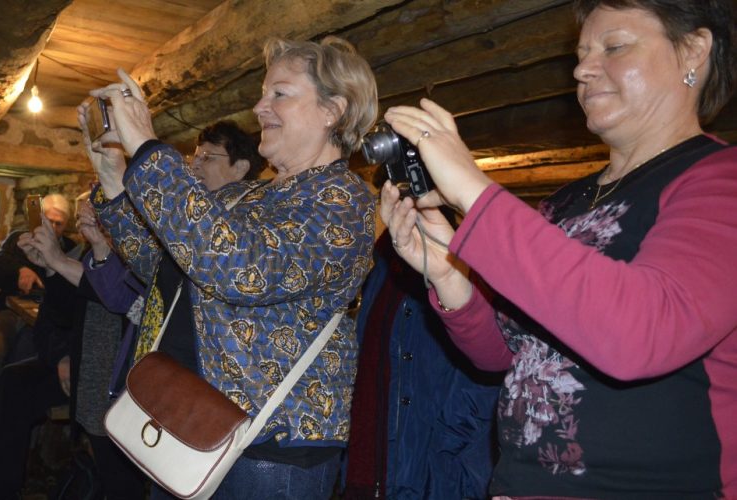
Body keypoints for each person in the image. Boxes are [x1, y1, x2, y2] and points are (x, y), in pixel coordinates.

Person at [379, 0, 737, 497]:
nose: (582, 70)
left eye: (614, 47)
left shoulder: (721, 179)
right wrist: (448, 276)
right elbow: (507, 355)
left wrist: (473, 189)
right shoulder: (563, 204)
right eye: (582, 54)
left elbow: (641, 335)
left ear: (693, 50)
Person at [80, 35, 378, 499]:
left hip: (266, 449)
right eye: (262, 93)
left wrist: (147, 146)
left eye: (279, 93)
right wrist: (111, 173)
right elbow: (160, 263)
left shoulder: (343, 202)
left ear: (332, 111)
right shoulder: (245, 194)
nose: (260, 107)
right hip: (184, 420)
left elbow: (239, 269)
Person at [343, 231, 500, 500]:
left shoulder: (466, 263)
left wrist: (449, 473)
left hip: (429, 481)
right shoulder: (376, 261)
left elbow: (481, 387)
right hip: (362, 476)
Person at [14, 193, 148, 500]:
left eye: (93, 211)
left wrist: (59, 262)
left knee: (123, 481)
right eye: (84, 214)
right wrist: (52, 269)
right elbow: (65, 315)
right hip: (93, 380)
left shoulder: (139, 252)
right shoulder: (90, 252)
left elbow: (121, 299)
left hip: (123, 386)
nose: (86, 218)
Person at [0, 192, 75, 433]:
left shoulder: (70, 250)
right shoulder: (19, 240)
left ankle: (18, 428)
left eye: (58, 223)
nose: (52, 228)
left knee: (25, 356)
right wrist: (19, 270)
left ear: (66, 225)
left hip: (40, 321)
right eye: (48, 221)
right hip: (10, 313)